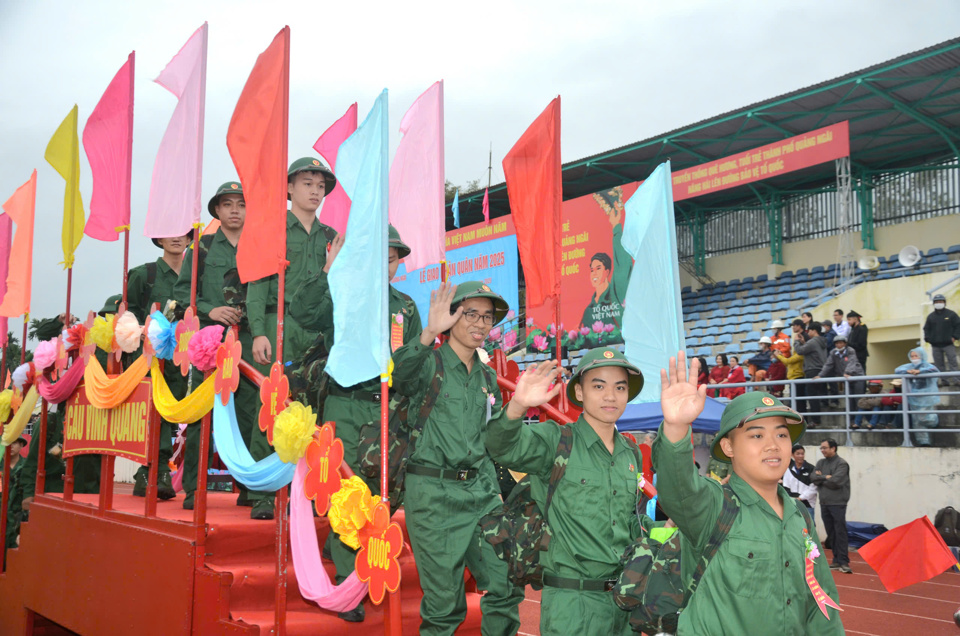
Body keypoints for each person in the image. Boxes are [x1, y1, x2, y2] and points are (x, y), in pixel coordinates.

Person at [654, 356, 843, 633]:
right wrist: (676, 427)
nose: (772, 446)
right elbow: (677, 488)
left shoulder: (799, 516)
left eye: (781, 435)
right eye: (756, 436)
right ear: (729, 447)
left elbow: (821, 602)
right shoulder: (714, 506)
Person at [292, 225, 422, 623]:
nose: (384, 264)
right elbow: (304, 311)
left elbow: (414, 360)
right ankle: (348, 582)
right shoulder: (344, 293)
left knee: (380, 490)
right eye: (376, 256)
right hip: (346, 404)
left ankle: (349, 552)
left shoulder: (406, 307)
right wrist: (330, 271)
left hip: (387, 409)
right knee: (348, 488)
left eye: (391, 257)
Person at [486, 347, 664, 635]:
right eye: (598, 386)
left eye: (620, 387)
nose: (610, 396)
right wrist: (518, 405)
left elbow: (628, 521)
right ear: (579, 392)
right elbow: (501, 447)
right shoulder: (557, 442)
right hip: (572, 606)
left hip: (623, 602)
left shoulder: (629, 452)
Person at [391, 281, 523, 635]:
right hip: (433, 494)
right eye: (470, 314)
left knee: (507, 580)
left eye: (487, 317)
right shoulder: (427, 364)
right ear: (452, 317)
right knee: (444, 607)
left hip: (479, 493)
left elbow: (492, 441)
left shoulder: (487, 378)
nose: (480, 324)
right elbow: (398, 376)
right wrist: (427, 333)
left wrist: (494, 491)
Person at [173, 181, 275, 520]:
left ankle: (249, 487)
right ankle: (194, 488)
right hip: (210, 343)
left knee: (251, 414)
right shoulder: (202, 248)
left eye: (241, 205)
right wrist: (209, 310)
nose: (234, 211)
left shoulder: (260, 247)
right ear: (216, 210)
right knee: (206, 415)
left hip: (248, 340)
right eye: (227, 204)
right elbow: (181, 296)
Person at [248, 157, 341, 369]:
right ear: (289, 188)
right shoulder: (273, 232)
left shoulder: (331, 237)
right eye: (307, 184)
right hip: (280, 323)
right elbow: (258, 286)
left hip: (318, 329)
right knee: (273, 394)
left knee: (314, 395)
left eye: (320, 186)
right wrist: (259, 333)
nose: (315, 192)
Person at [126, 232, 193, 500]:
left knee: (171, 412)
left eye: (183, 234)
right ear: (160, 240)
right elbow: (125, 315)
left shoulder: (195, 276)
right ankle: (152, 470)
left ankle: (156, 469)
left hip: (181, 359)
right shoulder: (145, 274)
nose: (177, 239)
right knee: (151, 411)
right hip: (148, 359)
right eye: (170, 234)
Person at [580, 187, 631, 335]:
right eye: (592, 270)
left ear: (608, 271)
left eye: (598, 268)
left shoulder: (617, 294)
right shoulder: (587, 311)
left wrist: (616, 226)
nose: (594, 273)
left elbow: (623, 263)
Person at [811, 439, 852, 573]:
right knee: (831, 532)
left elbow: (836, 481)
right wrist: (826, 477)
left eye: (825, 448)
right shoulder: (821, 463)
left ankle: (844, 561)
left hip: (838, 502)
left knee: (840, 531)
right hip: (824, 502)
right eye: (821, 448)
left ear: (833, 448)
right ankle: (836, 560)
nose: (822, 450)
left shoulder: (842, 464)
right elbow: (813, 478)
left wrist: (821, 478)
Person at [894, 347, 942, 446]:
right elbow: (897, 370)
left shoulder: (927, 366)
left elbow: (934, 370)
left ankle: (935, 421)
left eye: (916, 356)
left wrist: (920, 371)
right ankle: (924, 442)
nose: (914, 358)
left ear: (922, 356)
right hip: (914, 396)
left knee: (924, 418)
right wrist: (908, 372)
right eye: (912, 356)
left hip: (926, 396)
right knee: (917, 421)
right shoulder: (909, 366)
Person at [815, 333, 864, 419]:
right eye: (837, 343)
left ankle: (859, 420)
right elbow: (828, 365)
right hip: (846, 379)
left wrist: (847, 372)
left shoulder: (851, 350)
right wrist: (820, 375)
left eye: (841, 343)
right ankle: (851, 420)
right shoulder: (833, 352)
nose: (839, 345)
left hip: (856, 376)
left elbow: (852, 362)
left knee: (858, 399)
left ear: (845, 343)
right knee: (849, 401)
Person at [924, 294, 960, 386]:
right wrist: (928, 339)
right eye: (936, 302)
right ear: (934, 304)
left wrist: (955, 337)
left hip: (948, 344)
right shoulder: (931, 317)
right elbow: (926, 329)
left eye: (941, 302)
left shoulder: (951, 314)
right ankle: (944, 381)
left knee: (953, 362)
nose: (939, 303)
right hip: (935, 345)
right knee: (939, 364)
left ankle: (956, 379)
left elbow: (958, 326)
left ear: (944, 303)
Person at [795, 324, 827, 427]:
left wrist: (796, 341)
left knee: (812, 396)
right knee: (816, 395)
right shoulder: (821, 341)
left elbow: (800, 351)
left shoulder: (813, 342)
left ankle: (815, 420)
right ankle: (816, 419)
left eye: (809, 330)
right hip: (820, 369)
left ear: (814, 331)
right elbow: (809, 350)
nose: (808, 332)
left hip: (812, 370)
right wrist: (803, 342)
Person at [3, 436, 27, 550]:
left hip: (17, 521)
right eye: (7, 442)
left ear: (21, 445)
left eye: (15, 443)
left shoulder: (27, 467)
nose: (11, 446)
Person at [782, 444, 817, 518]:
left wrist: (800, 498)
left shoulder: (811, 468)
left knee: (809, 526)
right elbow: (786, 485)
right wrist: (791, 498)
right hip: (792, 503)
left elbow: (814, 488)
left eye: (802, 454)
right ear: (792, 455)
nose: (801, 456)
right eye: (798, 454)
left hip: (808, 505)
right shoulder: (788, 469)